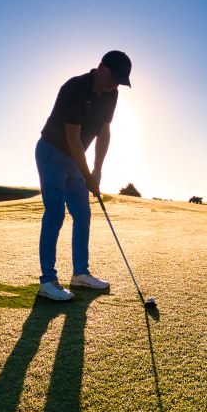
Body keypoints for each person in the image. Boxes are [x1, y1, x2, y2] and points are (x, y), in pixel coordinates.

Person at [34, 50, 133, 301]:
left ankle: (80, 274)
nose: (115, 84)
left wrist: (98, 171)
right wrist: (87, 175)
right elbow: (72, 138)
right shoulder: (74, 87)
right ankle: (47, 281)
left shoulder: (113, 95)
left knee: (82, 213)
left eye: (120, 81)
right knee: (55, 213)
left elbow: (105, 132)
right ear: (101, 67)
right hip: (52, 152)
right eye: (114, 77)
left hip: (75, 158)